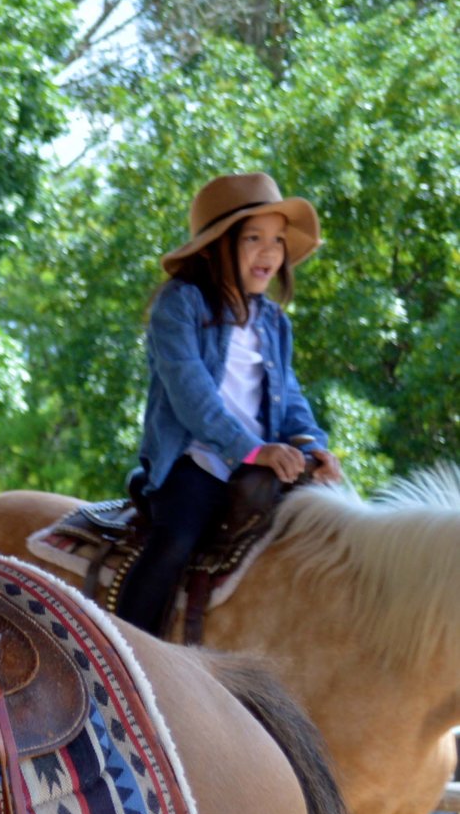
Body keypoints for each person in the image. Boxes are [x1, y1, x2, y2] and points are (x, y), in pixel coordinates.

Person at [116, 172, 340, 633]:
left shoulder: (273, 321)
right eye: (253, 238)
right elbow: (191, 395)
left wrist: (313, 444)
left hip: (262, 463)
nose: (270, 252)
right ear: (216, 246)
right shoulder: (180, 305)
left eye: (277, 240)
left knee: (335, 534)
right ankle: (120, 650)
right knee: (176, 541)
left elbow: (289, 395)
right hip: (198, 460)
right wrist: (252, 449)